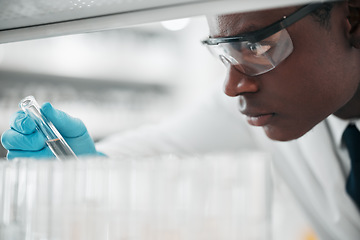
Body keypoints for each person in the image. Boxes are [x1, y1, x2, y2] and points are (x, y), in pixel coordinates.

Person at [1, 0, 360, 238]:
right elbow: (160, 147)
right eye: (226, 52)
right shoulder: (260, 111)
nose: (233, 86)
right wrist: (83, 165)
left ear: (352, 21)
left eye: (256, 47)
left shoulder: (283, 106)